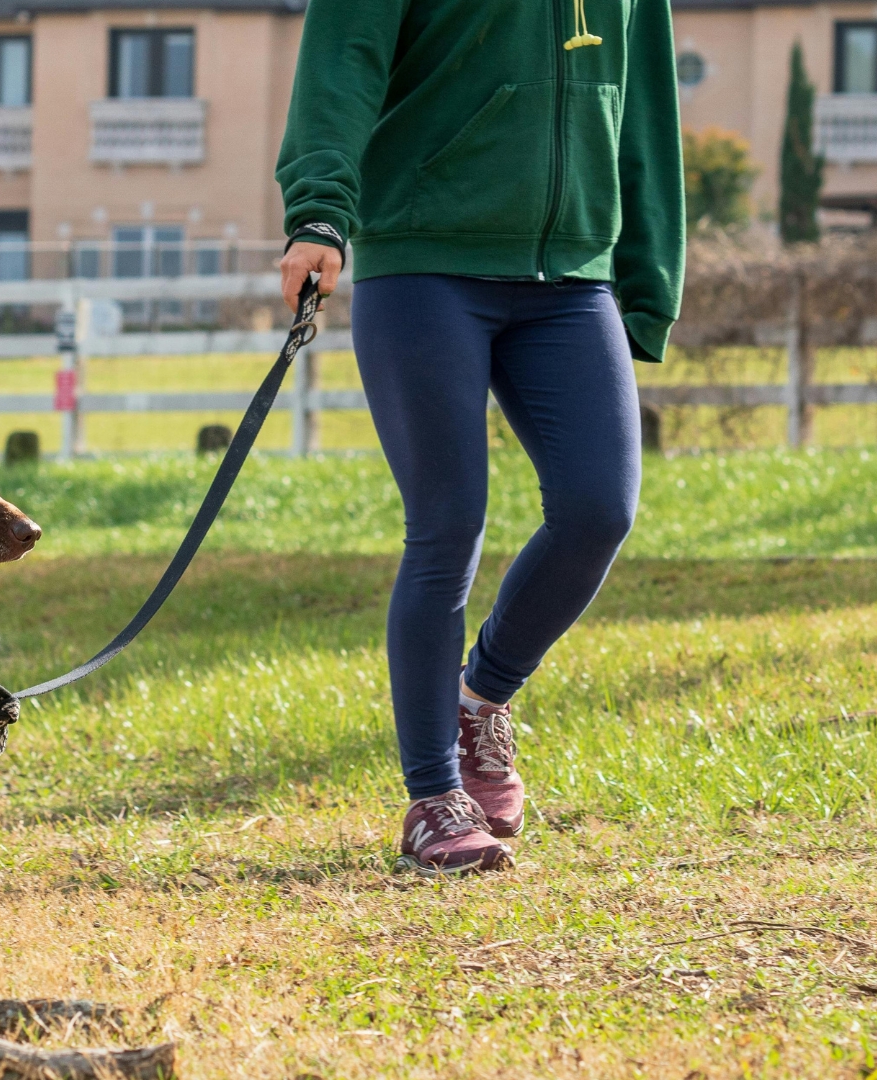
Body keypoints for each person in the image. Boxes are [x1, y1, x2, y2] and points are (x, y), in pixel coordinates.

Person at [275, 0, 684, 875]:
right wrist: (319, 213)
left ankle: (483, 696)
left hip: (574, 276)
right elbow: (339, 69)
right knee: (447, 522)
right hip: (425, 260)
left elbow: (643, 101)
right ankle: (433, 797)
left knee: (597, 511)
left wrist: (646, 280)